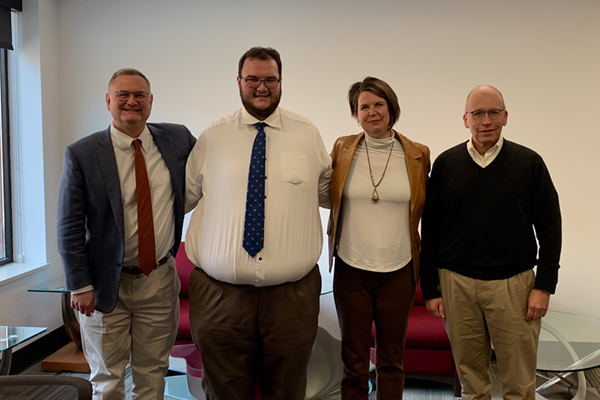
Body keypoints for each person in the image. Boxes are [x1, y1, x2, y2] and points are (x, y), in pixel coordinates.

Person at [184, 46, 332, 400]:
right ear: (239, 81)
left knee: (287, 390)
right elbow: (181, 199)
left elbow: (331, 193)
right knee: (224, 392)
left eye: (270, 80)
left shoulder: (307, 134)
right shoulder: (212, 137)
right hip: (220, 297)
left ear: (281, 82)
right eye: (252, 79)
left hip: (291, 298)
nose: (261, 87)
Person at [57, 68, 196, 400]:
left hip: (159, 279)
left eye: (140, 95)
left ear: (150, 102)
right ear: (108, 101)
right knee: (107, 379)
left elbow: (211, 169)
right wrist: (79, 284)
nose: (131, 101)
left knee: (152, 375)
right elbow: (69, 225)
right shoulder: (83, 153)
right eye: (123, 95)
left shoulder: (177, 139)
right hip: (105, 286)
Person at [420, 85, 562, 400]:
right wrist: (431, 289)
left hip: (514, 286)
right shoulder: (446, 165)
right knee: (471, 383)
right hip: (457, 286)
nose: (486, 120)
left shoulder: (529, 163)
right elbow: (429, 231)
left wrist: (545, 285)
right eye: (478, 114)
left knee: (519, 383)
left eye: (494, 112)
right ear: (465, 119)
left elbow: (551, 228)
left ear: (505, 117)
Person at [328, 77, 430, 399]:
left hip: (398, 272)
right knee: (354, 361)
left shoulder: (418, 154)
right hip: (351, 269)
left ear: (391, 107)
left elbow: (430, 208)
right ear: (355, 114)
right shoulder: (342, 149)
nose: (372, 112)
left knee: (391, 360)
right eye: (364, 107)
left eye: (379, 104)